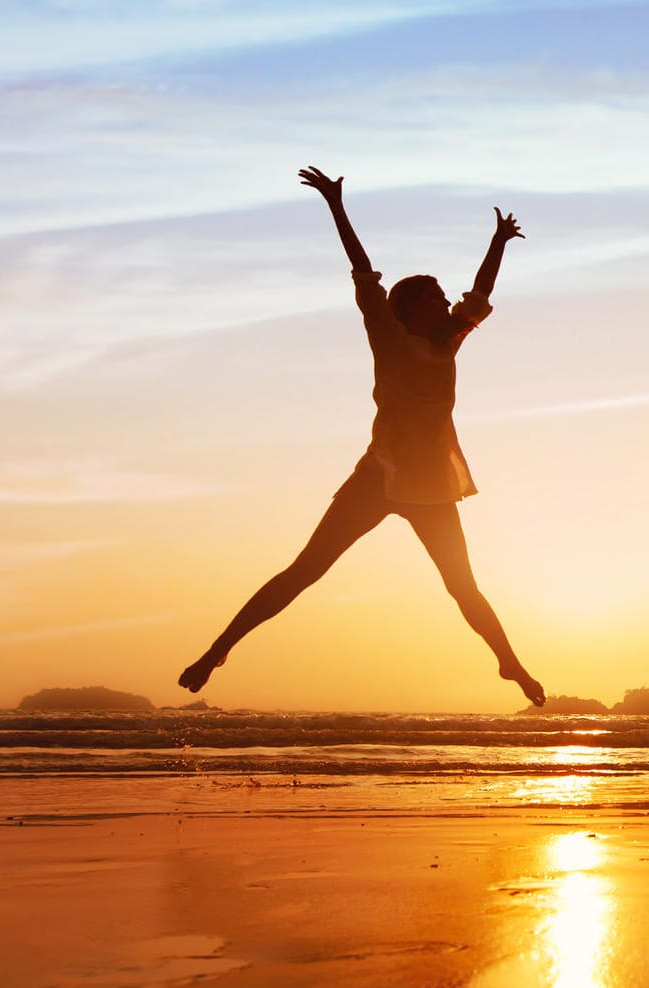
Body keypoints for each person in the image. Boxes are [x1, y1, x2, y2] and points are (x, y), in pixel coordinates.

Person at [178, 166, 545, 707]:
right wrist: (335, 204)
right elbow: (363, 270)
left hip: (431, 486)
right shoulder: (388, 336)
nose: (446, 302)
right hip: (378, 476)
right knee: (306, 570)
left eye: (444, 297)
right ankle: (218, 650)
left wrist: (497, 243)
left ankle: (508, 662)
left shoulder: (449, 342)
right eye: (434, 296)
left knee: (462, 586)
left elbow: (480, 292)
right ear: (409, 307)